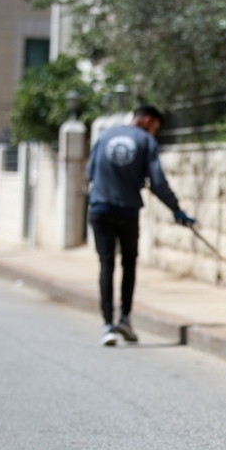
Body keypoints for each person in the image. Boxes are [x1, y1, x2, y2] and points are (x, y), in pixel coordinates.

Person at [86, 104, 195, 346]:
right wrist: (176, 209)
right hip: (126, 211)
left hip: (100, 209)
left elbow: (90, 172)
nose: (154, 131)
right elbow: (157, 181)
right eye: (155, 126)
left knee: (106, 265)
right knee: (128, 264)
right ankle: (124, 318)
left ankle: (107, 325)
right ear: (147, 120)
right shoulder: (146, 141)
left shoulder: (105, 136)